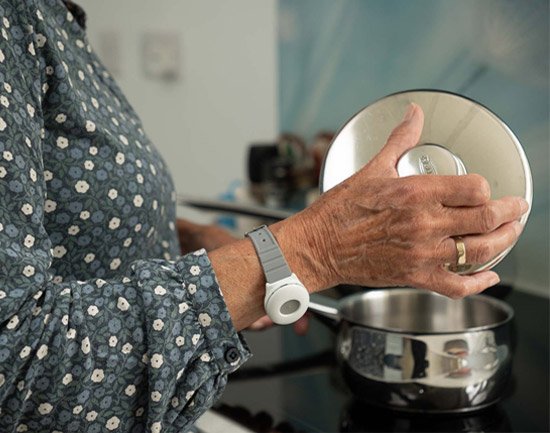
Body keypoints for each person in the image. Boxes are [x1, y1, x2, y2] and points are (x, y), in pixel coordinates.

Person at [0, 0, 528, 432]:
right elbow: (14, 364)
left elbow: (58, 223)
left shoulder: (55, 18)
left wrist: (184, 239)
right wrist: (308, 251)